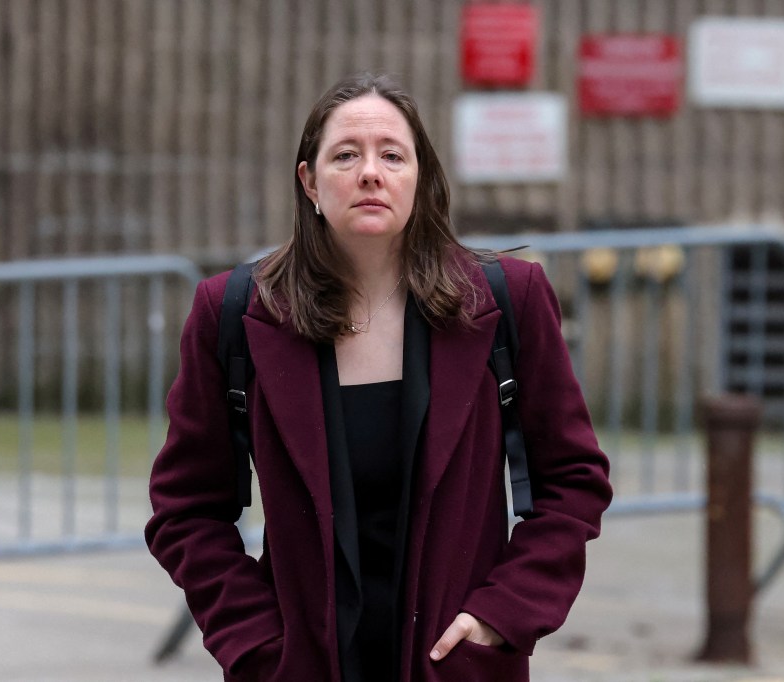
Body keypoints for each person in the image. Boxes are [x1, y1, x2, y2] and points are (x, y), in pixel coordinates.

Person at [145, 72, 612, 682]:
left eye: (392, 154)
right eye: (346, 155)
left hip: (454, 664)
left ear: (420, 179)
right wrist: (254, 641)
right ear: (309, 181)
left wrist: (502, 614)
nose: (371, 172)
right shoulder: (232, 311)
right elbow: (185, 509)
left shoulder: (507, 301)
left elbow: (573, 483)